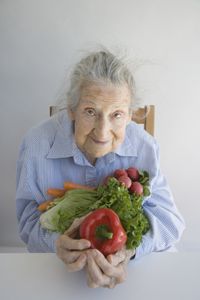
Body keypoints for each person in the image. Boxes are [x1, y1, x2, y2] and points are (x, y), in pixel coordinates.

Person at [16, 49, 185, 288]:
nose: (103, 132)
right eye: (90, 111)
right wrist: (54, 243)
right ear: (71, 109)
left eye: (116, 114)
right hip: (58, 277)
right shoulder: (35, 144)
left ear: (129, 116)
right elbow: (28, 220)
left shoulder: (144, 146)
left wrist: (128, 252)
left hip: (135, 279)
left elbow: (169, 223)